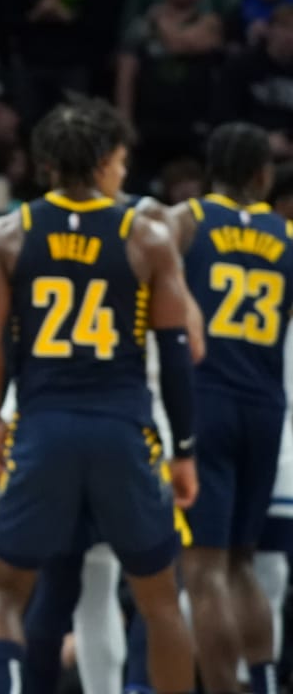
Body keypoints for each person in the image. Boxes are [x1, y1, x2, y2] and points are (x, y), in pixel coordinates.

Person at [0, 99, 196, 694]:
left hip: (42, 430)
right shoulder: (145, 235)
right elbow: (176, 354)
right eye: (120, 160)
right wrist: (185, 449)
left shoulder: (9, 233)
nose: (123, 170)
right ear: (104, 163)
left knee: (3, 596)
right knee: (160, 602)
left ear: (45, 163)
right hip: (123, 430)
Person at [154, 123, 291, 694]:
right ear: (263, 175)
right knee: (242, 564)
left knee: (204, 568)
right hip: (267, 405)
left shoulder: (185, 220)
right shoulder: (287, 235)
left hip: (206, 402)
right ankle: (264, 683)